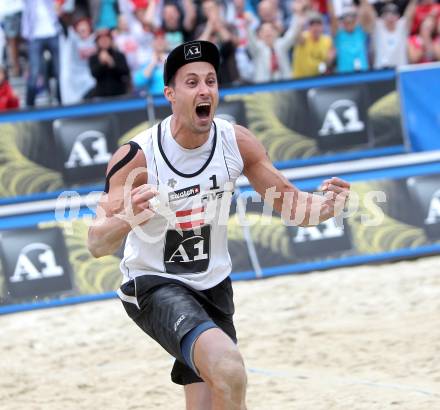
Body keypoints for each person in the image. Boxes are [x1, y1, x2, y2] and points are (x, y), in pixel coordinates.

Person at [87, 40, 350, 409]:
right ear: (170, 94)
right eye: (191, 82)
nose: (204, 89)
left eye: (211, 80)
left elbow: (292, 206)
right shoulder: (138, 157)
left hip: (213, 286)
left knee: (212, 398)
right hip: (154, 283)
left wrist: (326, 207)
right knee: (229, 369)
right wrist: (125, 218)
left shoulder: (235, 142)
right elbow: (96, 243)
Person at [86, 28, 130, 99]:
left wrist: (112, 63)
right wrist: (102, 64)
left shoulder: (119, 55)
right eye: (101, 39)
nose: (104, 41)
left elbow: (125, 72)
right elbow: (94, 74)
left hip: (119, 95)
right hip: (101, 96)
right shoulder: (94, 58)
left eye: (106, 39)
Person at [292, 11, 335, 78]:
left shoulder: (327, 40)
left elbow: (328, 63)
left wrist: (330, 60)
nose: (315, 28)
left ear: (322, 26)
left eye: (318, 24)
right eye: (312, 24)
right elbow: (297, 37)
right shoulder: (304, 37)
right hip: (300, 81)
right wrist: (300, 25)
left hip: (318, 79)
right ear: (308, 26)